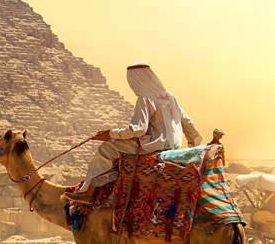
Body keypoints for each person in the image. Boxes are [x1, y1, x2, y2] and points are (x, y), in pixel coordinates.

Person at [68, 63, 202, 202]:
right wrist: (192, 145)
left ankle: (88, 192)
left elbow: (138, 130)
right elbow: (188, 123)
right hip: (173, 146)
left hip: (152, 146)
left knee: (108, 148)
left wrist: (109, 134)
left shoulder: (145, 98)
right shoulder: (170, 98)